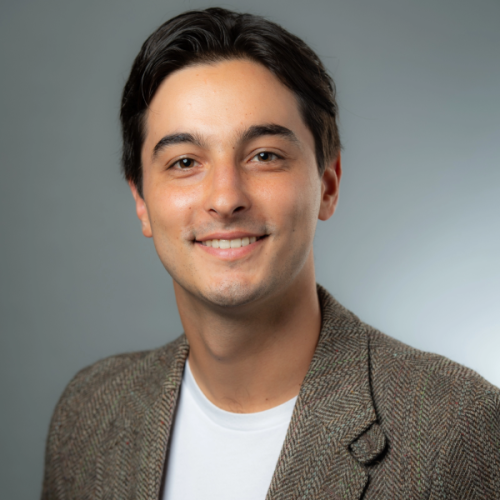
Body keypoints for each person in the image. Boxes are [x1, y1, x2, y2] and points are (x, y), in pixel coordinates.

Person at [41, 7, 500, 500]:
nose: (225, 198)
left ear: (327, 184)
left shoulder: (455, 427)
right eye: (185, 162)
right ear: (141, 201)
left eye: (264, 156)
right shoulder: (89, 412)